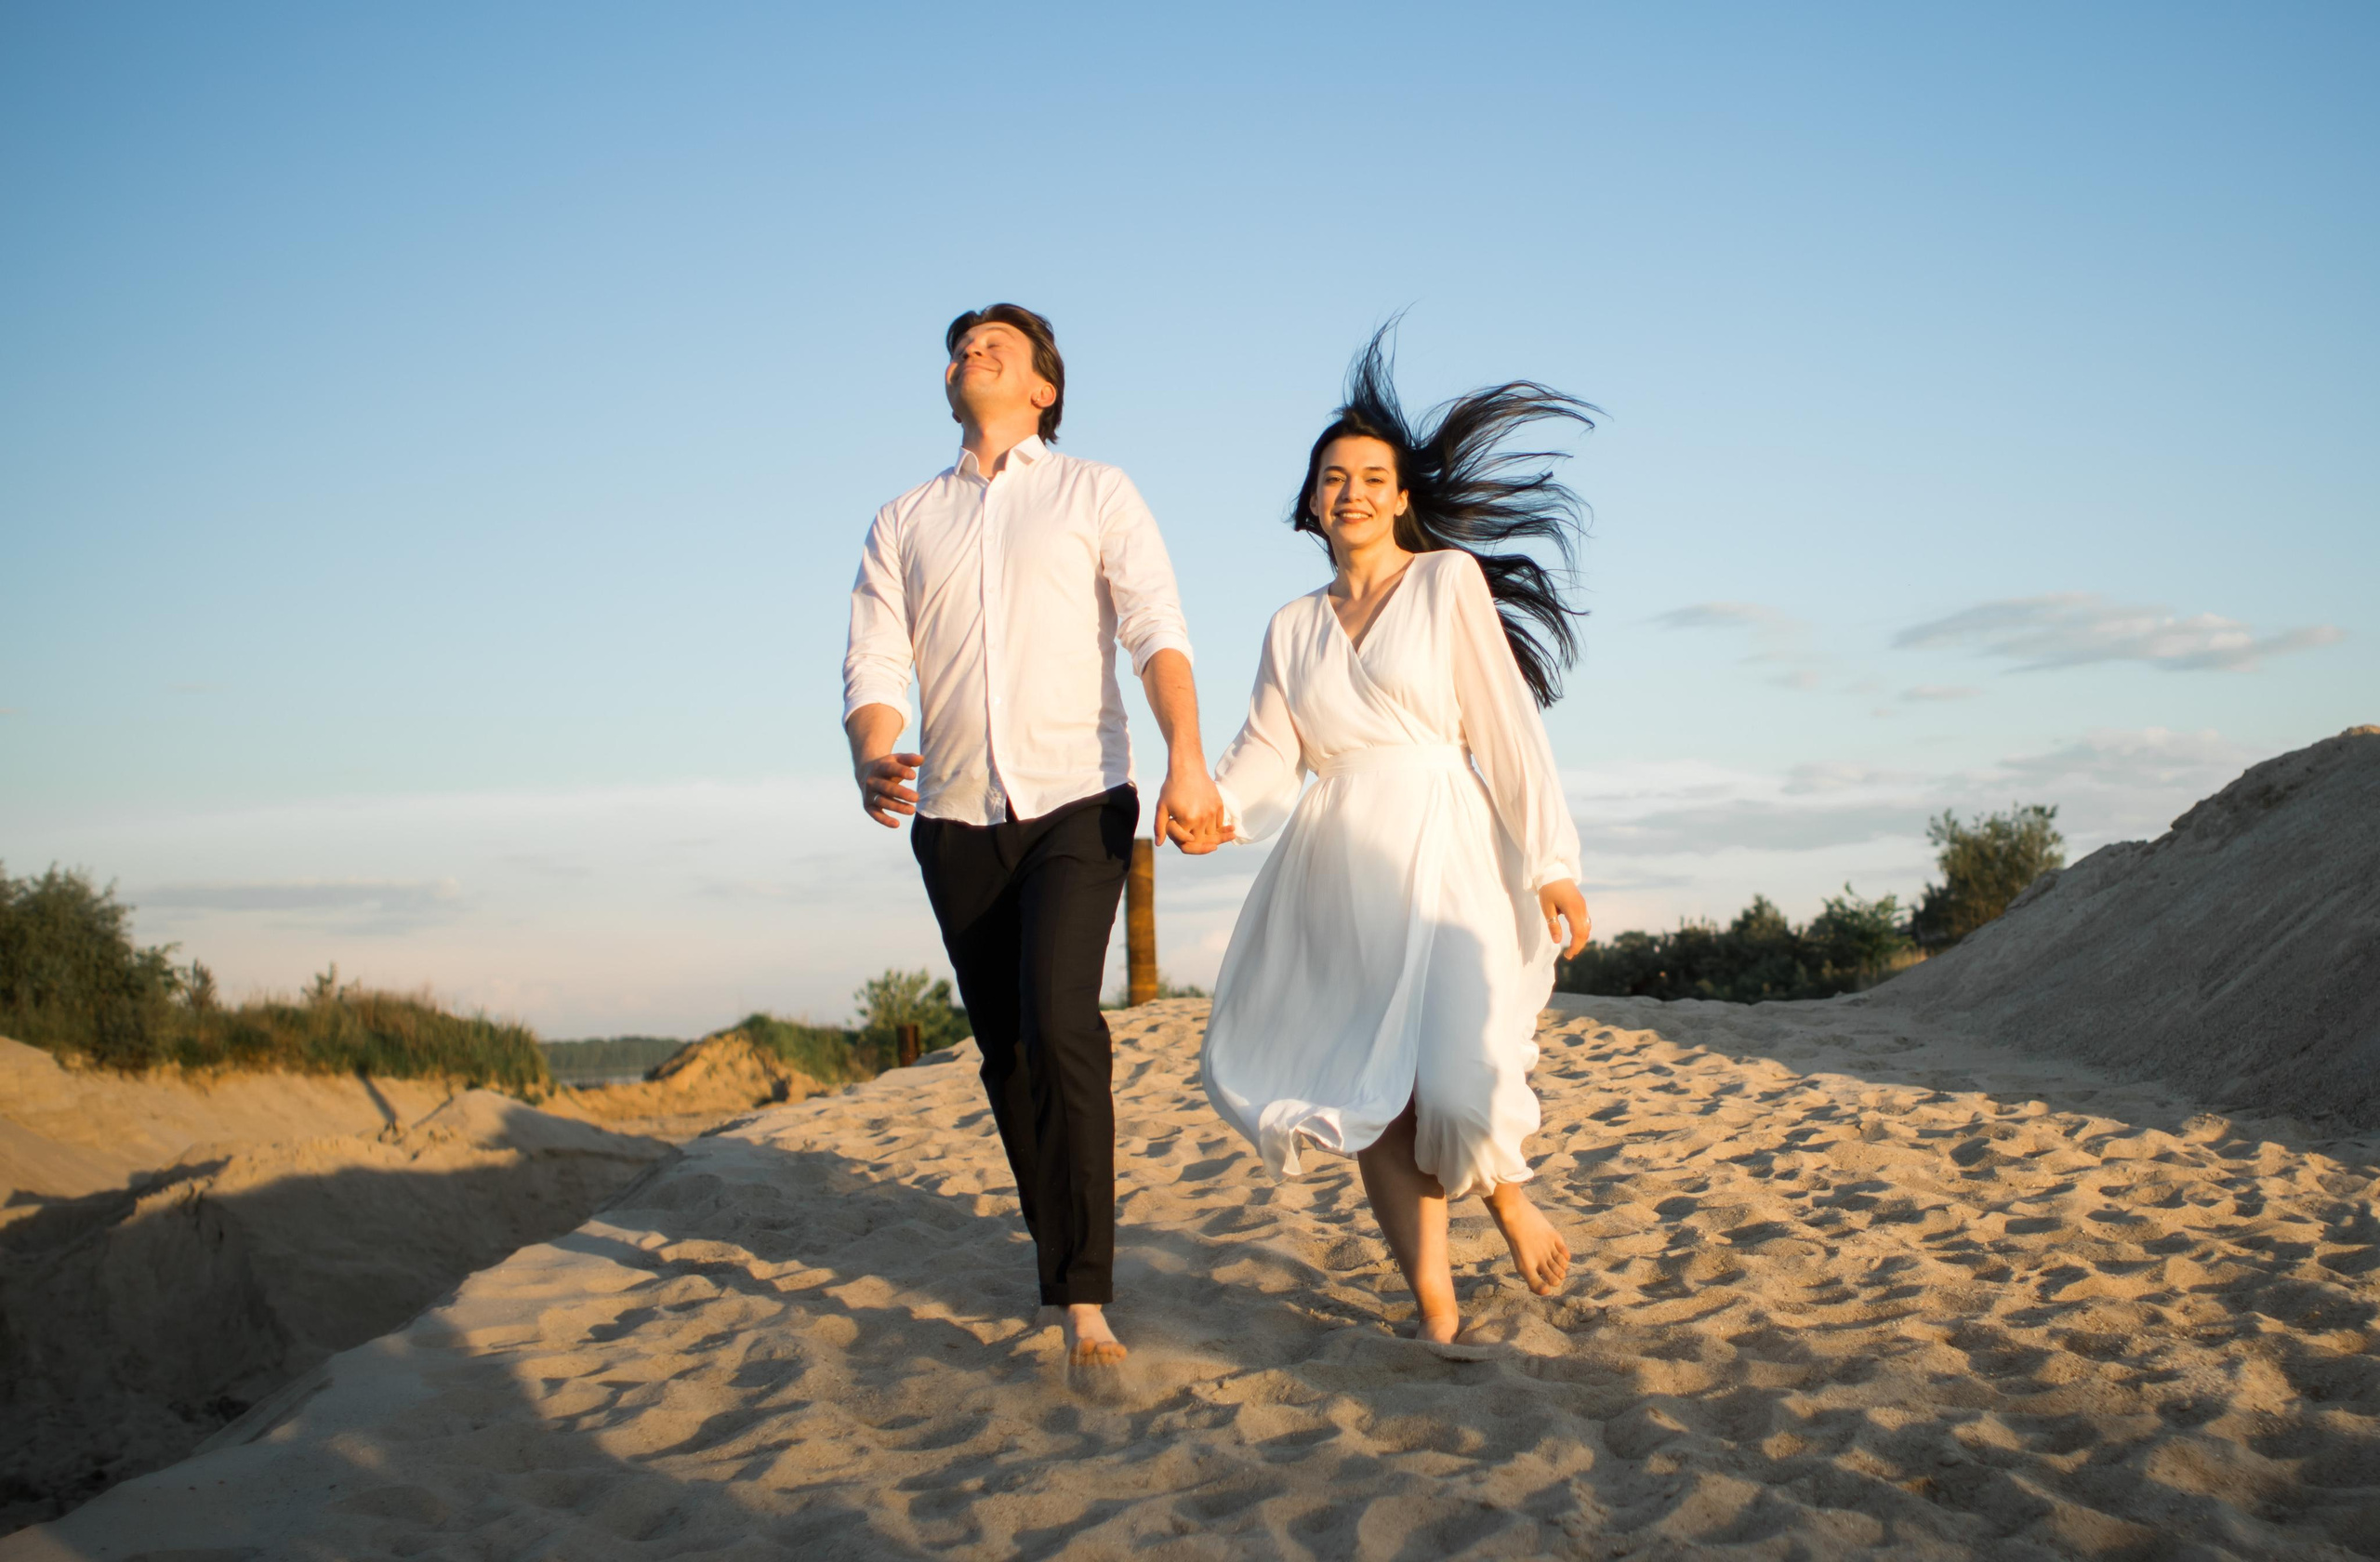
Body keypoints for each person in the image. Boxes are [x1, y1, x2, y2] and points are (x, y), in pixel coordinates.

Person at [1193, 328, 1594, 1345]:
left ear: (1403, 496)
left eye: (1373, 476)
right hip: (1337, 876)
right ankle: (1435, 1303)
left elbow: (1506, 726)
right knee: (1367, 1092)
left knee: (1458, 1080)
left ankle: (1504, 1194)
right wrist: (1215, 809)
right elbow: (1264, 755)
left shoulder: (1446, 581)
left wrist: (1552, 862)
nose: (1353, 491)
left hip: (1447, 850)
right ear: (1312, 502)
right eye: (1334, 478)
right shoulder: (1291, 627)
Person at [842, 304, 1224, 1368]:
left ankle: (1083, 1297)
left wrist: (1184, 755)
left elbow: (1155, 627)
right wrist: (872, 748)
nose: (972, 353)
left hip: (1078, 797)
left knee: (1061, 1025)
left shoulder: (1094, 490)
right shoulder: (903, 518)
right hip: (954, 813)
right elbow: (875, 660)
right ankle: (1061, 1252)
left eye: (995, 346)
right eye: (961, 347)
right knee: (1007, 1057)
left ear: (1042, 387)